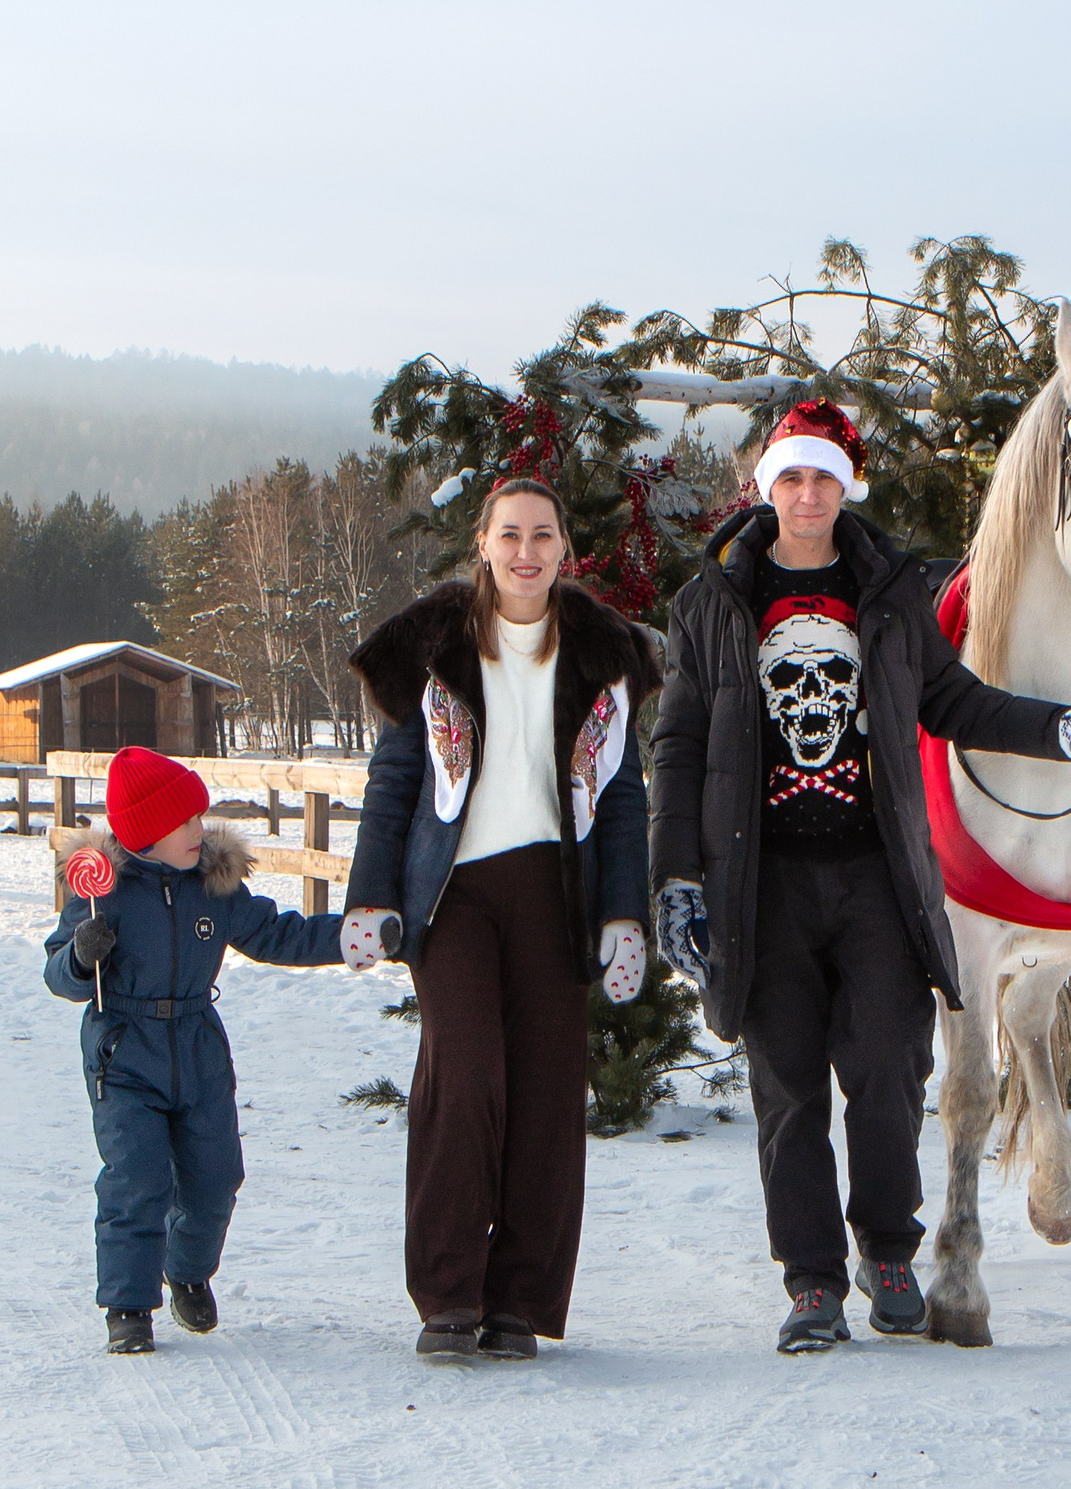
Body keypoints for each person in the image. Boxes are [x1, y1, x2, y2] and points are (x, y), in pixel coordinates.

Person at [647, 401, 1071, 1353]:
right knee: (787, 1090)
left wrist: (1056, 728)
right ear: (766, 487)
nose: (808, 494)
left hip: (877, 878)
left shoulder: (890, 590)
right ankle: (813, 1282)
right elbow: (678, 743)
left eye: (824, 477)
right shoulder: (714, 603)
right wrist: (676, 879)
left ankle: (889, 1248)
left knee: (892, 1071)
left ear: (845, 486)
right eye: (791, 477)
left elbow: (951, 698)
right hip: (764, 883)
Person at [342, 477, 662, 1361]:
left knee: (549, 1092)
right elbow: (395, 780)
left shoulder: (603, 653)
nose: (527, 551)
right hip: (457, 895)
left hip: (556, 892)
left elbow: (624, 796)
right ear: (482, 542)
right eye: (510, 534)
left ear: (566, 549)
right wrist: (371, 894)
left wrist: (624, 914)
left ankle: (518, 1299)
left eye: (544, 535)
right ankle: (447, 1295)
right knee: (467, 1073)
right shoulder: (436, 643)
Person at [45, 745, 349, 1355]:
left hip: (199, 1048)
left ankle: (184, 1268)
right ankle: (128, 1306)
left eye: (198, 816)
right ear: (146, 833)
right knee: (138, 1177)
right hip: (125, 1051)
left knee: (216, 1178)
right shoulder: (104, 894)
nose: (198, 829)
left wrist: (353, 937)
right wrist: (82, 955)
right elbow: (58, 975)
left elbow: (278, 932)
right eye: (184, 821)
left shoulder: (213, 886)